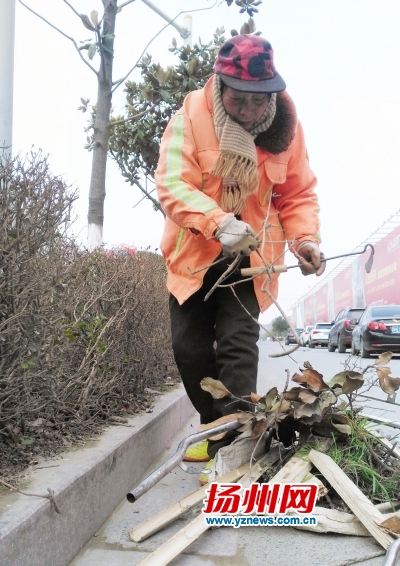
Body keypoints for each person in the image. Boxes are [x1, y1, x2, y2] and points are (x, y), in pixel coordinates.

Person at [155, 34, 326, 483]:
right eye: (238, 100)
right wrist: (217, 223)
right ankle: (212, 426)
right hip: (196, 250)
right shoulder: (191, 116)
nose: (249, 111)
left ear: (271, 93)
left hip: (250, 259)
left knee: (236, 347)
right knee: (189, 350)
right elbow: (172, 182)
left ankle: (233, 444)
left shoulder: (286, 128)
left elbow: (297, 194)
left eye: (258, 101)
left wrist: (305, 240)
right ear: (220, 85)